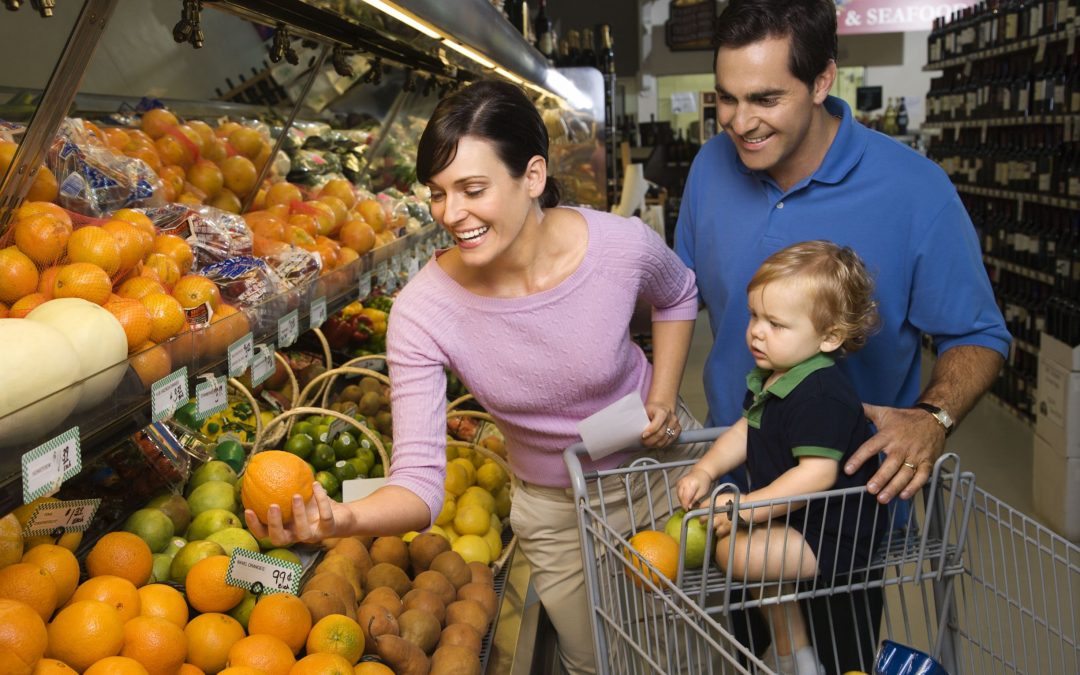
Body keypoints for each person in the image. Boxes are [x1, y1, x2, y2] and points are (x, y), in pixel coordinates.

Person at [245, 79, 703, 675]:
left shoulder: (619, 247)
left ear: (532, 176)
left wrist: (663, 395)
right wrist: (340, 518)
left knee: (687, 650)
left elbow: (678, 293)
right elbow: (420, 483)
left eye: (473, 189)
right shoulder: (423, 310)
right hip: (557, 511)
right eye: (438, 193)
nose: (450, 214)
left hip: (660, 476)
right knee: (597, 663)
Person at [673, 0, 1010, 670]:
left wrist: (933, 416)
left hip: (841, 510)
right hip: (732, 485)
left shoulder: (915, 190)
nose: (739, 122)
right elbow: (678, 293)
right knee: (736, 654)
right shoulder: (710, 167)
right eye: (727, 98)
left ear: (822, 80)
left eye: (765, 98)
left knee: (838, 658)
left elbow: (978, 334)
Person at [676, 241, 888, 675]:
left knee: (735, 553)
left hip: (835, 530)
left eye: (775, 323)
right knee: (737, 548)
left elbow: (816, 475)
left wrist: (744, 508)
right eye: (754, 315)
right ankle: (795, 651)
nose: (756, 331)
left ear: (829, 337)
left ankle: (794, 653)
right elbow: (745, 430)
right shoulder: (774, 376)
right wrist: (705, 468)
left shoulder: (821, 394)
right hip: (798, 519)